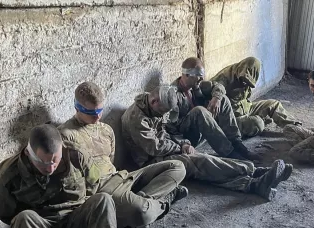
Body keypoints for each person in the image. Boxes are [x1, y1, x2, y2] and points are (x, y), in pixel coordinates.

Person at [121, 85, 293, 202]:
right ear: (154, 102)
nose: (162, 116)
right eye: (162, 112)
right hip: (149, 163)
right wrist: (180, 147)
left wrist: (185, 144)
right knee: (197, 162)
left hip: (162, 151)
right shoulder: (137, 119)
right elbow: (155, 147)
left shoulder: (152, 105)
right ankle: (254, 182)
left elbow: (165, 133)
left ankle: (255, 173)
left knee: (201, 159)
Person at [58, 82, 187, 228]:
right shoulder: (66, 136)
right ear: (77, 107)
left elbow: (111, 160)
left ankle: (143, 201)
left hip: (122, 176)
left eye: (100, 110)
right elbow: (75, 181)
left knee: (178, 167)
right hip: (102, 189)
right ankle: (164, 201)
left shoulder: (106, 129)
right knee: (142, 213)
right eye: (91, 113)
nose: (98, 116)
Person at [168, 57, 259, 161]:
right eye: (199, 76)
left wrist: (216, 98)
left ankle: (237, 143)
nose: (201, 79)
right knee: (199, 111)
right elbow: (171, 129)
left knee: (222, 98)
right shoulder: (173, 95)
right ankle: (229, 152)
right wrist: (183, 144)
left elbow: (218, 86)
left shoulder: (197, 85)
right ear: (187, 75)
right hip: (188, 138)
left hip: (204, 131)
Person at [210, 57, 301, 137]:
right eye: (244, 80)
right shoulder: (227, 75)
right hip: (232, 117)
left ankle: (295, 128)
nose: (245, 84)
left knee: (273, 104)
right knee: (258, 123)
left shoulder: (249, 77)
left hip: (246, 108)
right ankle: (254, 123)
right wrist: (217, 97)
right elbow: (218, 85)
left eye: (247, 82)